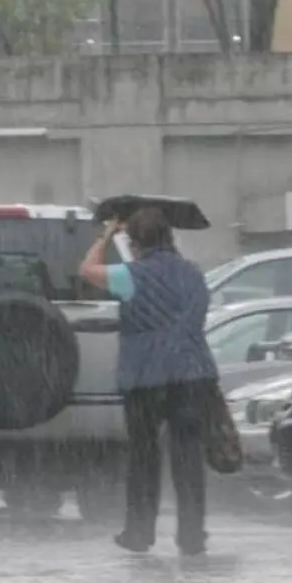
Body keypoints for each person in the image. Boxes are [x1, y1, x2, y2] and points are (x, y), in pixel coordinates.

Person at [79, 207, 218, 555]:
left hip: (145, 376)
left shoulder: (130, 275)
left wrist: (106, 235)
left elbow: (86, 270)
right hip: (193, 373)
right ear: (169, 238)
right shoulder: (193, 274)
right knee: (188, 455)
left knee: (144, 456)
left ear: (135, 242)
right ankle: (192, 535)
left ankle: (139, 533)